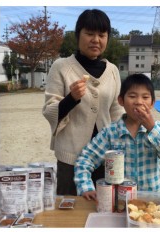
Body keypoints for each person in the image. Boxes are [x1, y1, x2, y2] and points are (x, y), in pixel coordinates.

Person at [42, 9, 124, 195]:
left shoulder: (112, 71)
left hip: (105, 157)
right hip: (71, 156)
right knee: (70, 210)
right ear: (78, 35)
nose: (96, 40)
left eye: (102, 35)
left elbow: (117, 112)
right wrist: (71, 99)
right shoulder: (61, 66)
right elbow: (49, 110)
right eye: (89, 34)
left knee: (105, 208)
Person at [76, 74, 160, 197]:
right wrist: (86, 187)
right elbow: (85, 159)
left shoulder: (159, 129)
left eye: (145, 97)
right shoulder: (110, 132)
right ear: (121, 101)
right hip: (118, 201)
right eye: (132, 96)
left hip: (150, 201)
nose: (139, 102)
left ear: (152, 103)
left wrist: (152, 128)